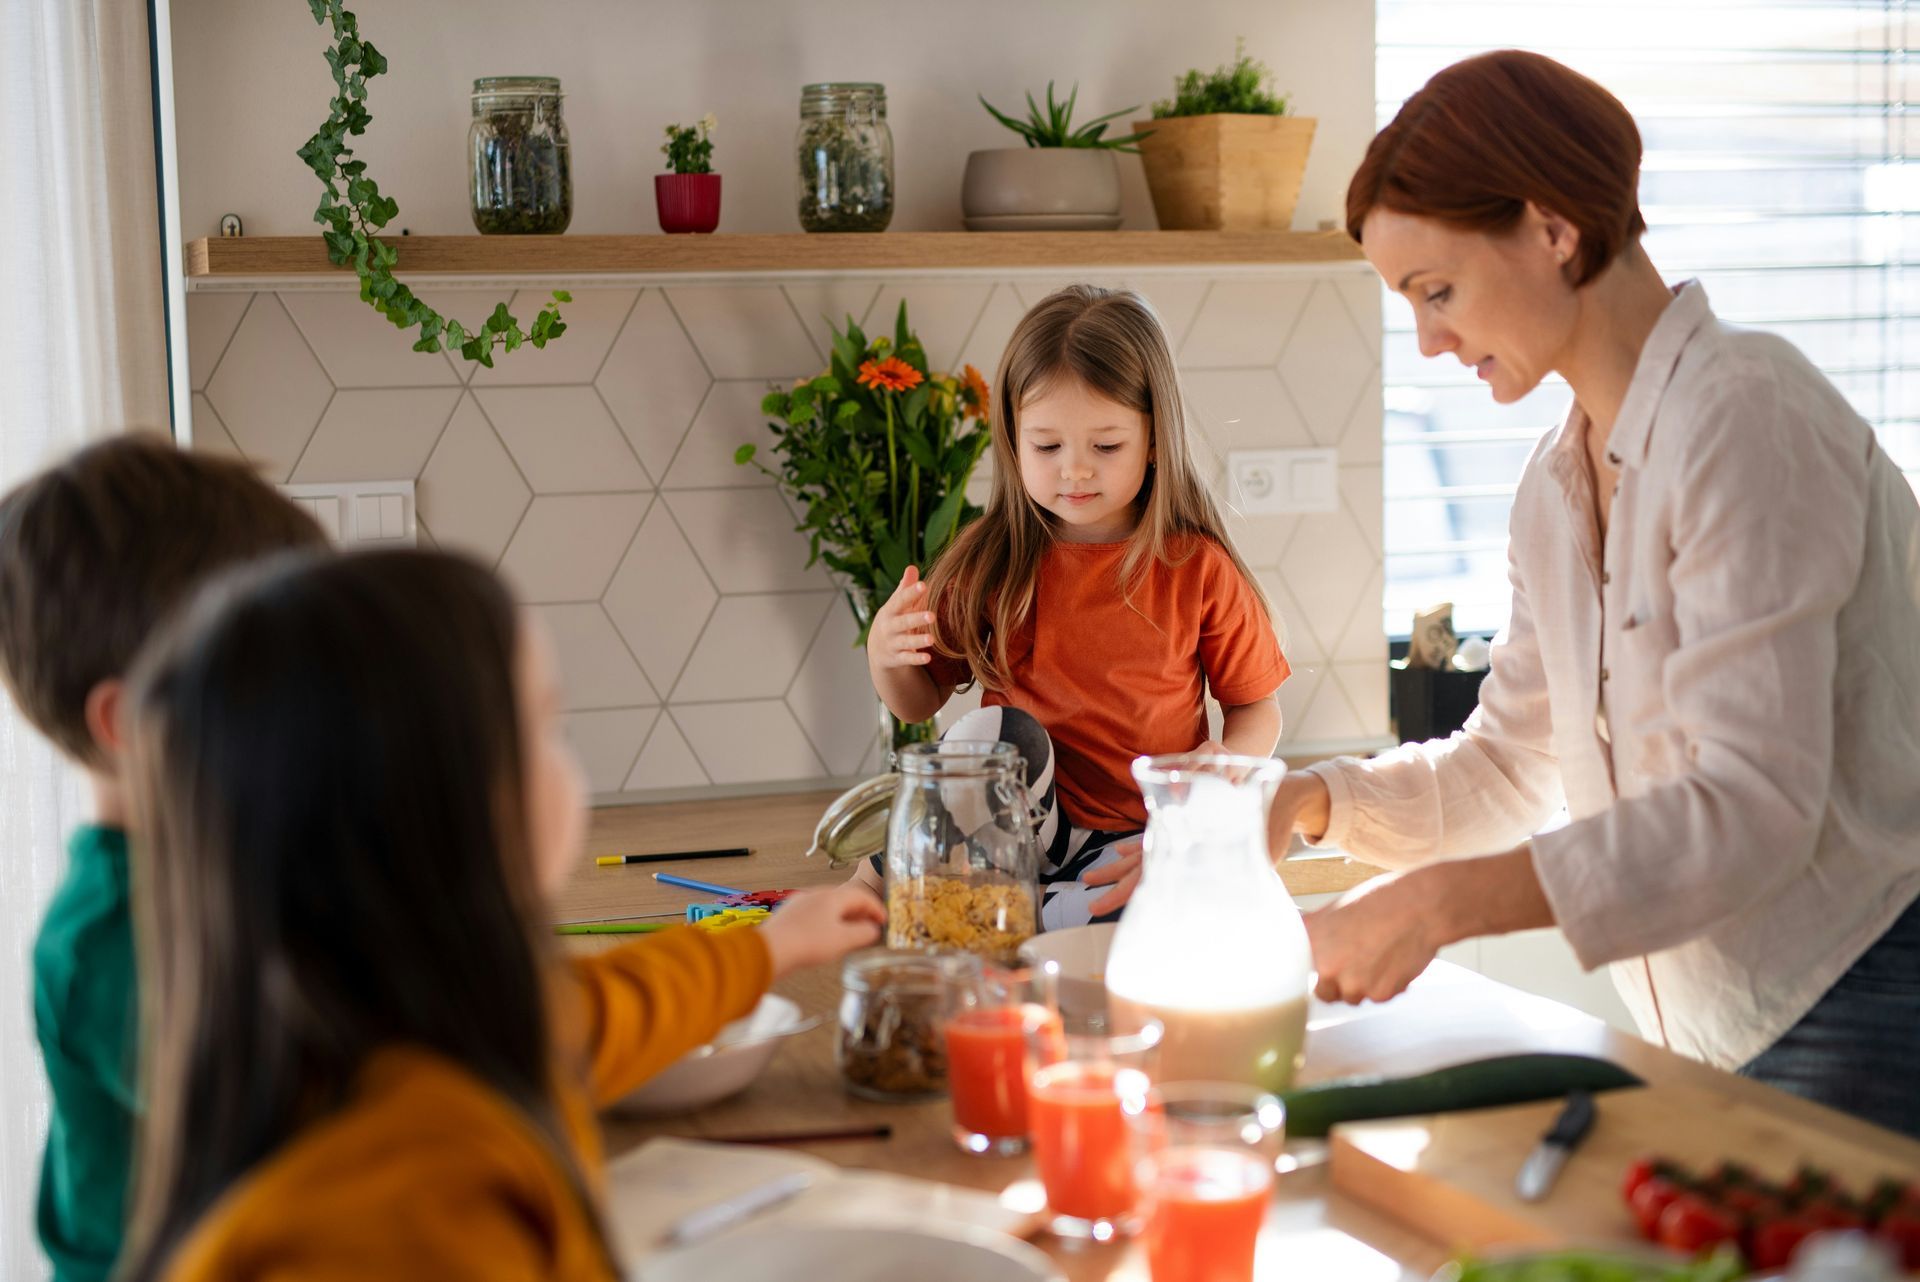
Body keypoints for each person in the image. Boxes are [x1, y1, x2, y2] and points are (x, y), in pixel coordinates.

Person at [1275, 50, 1920, 1136]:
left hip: (1868, 997)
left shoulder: (1747, 419)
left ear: (1553, 229)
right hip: (1710, 1029)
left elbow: (1752, 806)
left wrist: (1436, 908)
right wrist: (1311, 802)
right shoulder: (1554, 486)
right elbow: (1510, 767)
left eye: (1437, 291)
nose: (1428, 340)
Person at [114, 549, 884, 1281]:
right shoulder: (412, 1201)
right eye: (550, 726)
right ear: (449, 803)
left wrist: (771, 949)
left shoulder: (424, 1026)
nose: (570, 754)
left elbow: (615, 1009)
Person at [0, 435, 329, 1282]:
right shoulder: (111, 941)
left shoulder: (225, 858)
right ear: (132, 724)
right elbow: (312, 1124)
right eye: (266, 676)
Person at [860, 284, 1289, 928]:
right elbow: (919, 702)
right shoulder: (992, 558)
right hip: (1012, 832)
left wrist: (1231, 762)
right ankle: (883, 883)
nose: (1076, 471)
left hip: (1135, 838)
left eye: (1106, 447)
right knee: (996, 736)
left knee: (1122, 917)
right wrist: (882, 653)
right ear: (1013, 439)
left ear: (1154, 441)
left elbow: (1257, 708)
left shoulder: (1197, 568)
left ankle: (1031, 913)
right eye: (1048, 446)